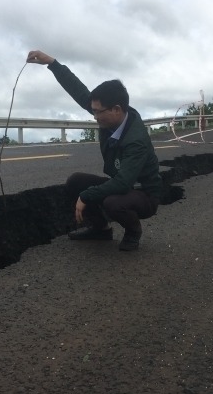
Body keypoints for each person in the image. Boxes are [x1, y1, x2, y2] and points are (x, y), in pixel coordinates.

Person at [26, 50, 162, 251]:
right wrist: (53, 63)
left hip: (144, 193)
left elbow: (123, 183)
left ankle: (133, 231)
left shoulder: (136, 141)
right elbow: (78, 90)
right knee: (76, 181)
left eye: (98, 112)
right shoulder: (110, 114)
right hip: (123, 184)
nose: (94, 116)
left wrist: (86, 196)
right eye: (93, 110)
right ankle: (101, 229)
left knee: (112, 202)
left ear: (116, 109)